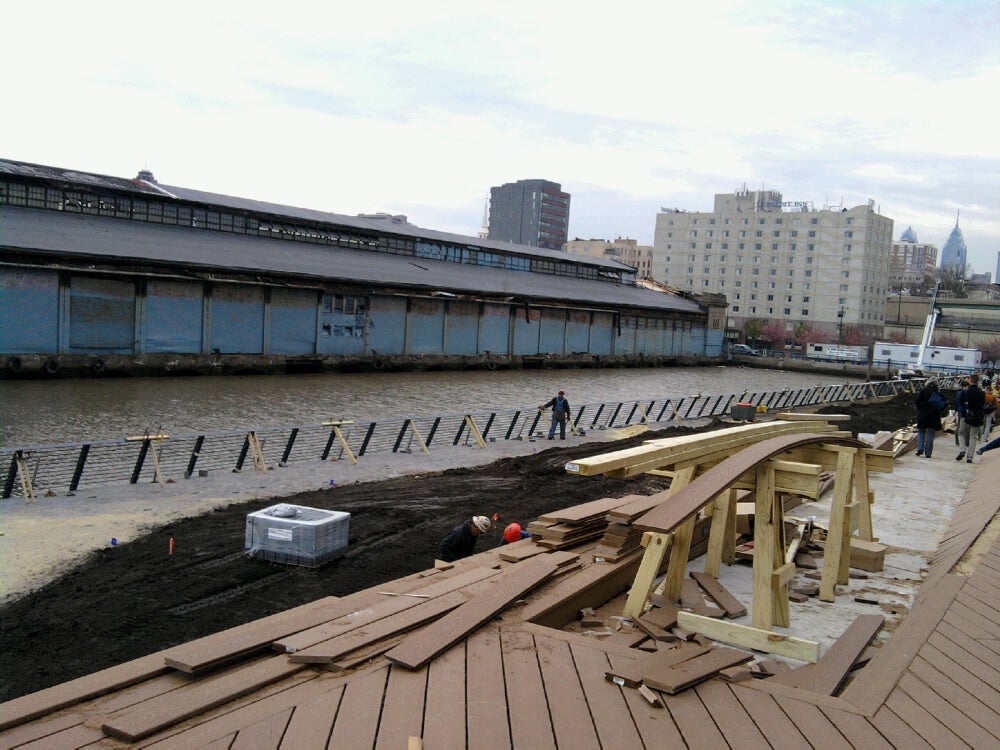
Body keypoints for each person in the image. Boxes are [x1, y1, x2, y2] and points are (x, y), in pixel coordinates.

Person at [955, 373, 986, 463]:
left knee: (961, 433)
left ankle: (962, 449)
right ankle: (970, 457)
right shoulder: (982, 393)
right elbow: (982, 404)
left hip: (966, 415)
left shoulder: (965, 392)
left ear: (970, 380)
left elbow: (960, 403)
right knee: (973, 437)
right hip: (977, 416)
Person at [914, 379, 946, 458]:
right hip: (934, 416)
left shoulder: (923, 391)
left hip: (923, 415)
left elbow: (917, 402)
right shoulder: (938, 393)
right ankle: (928, 453)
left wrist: (921, 409)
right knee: (930, 434)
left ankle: (920, 448)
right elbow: (943, 405)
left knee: (921, 431)